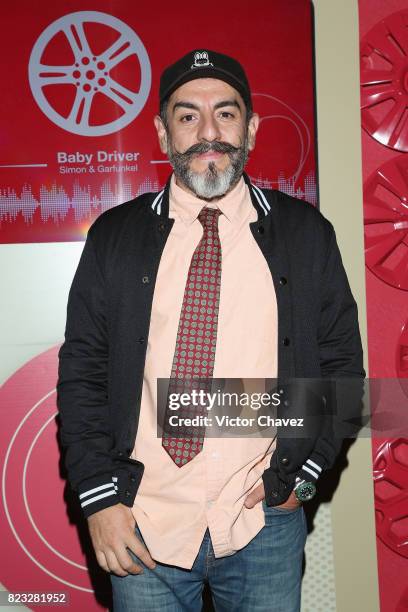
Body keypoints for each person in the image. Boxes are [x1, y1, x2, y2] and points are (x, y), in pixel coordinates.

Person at [57, 49, 365, 611]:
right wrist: (100, 500)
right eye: (187, 115)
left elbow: (343, 367)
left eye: (225, 114)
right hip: (142, 519)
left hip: (261, 523)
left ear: (250, 128)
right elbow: (83, 377)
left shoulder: (306, 233)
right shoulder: (114, 237)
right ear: (162, 133)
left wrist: (306, 471)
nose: (208, 133)